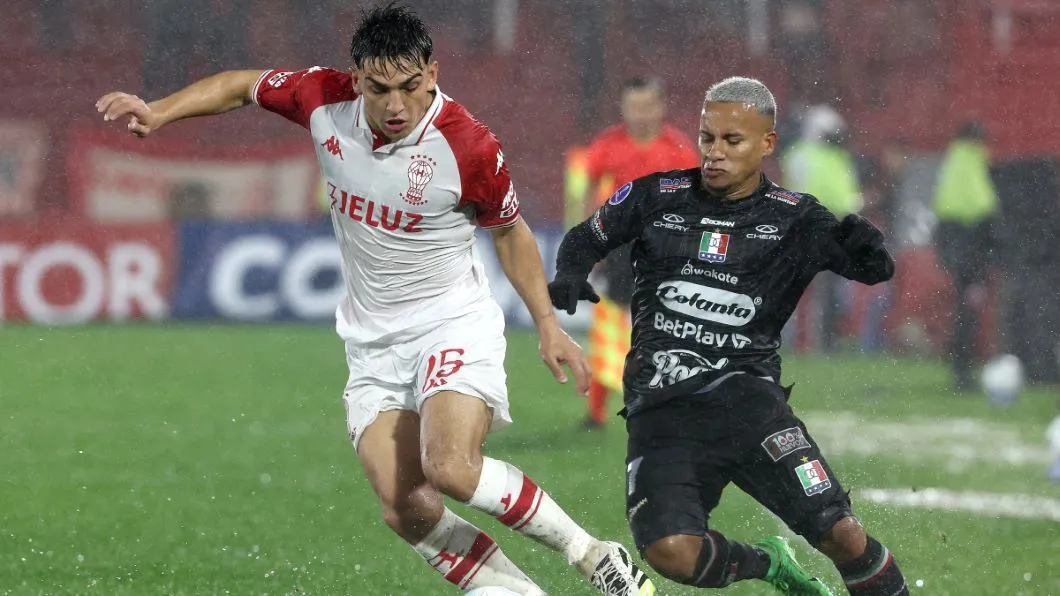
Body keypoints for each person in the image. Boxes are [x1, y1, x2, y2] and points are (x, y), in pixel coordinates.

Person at [96, 5, 654, 596]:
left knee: (452, 469)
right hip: (372, 342)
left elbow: (510, 230)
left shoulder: (467, 145)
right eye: (380, 88)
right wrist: (159, 112)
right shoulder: (321, 98)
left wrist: (545, 321)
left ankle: (592, 556)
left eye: (411, 87)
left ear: (433, 74)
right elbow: (241, 86)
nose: (396, 105)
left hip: (452, 324)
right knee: (407, 508)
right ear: (356, 78)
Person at [549, 76, 909, 595]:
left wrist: (869, 249)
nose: (714, 153)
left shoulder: (795, 217)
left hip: (750, 404)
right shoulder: (656, 195)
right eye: (707, 138)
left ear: (767, 143)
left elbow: (873, 269)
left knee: (842, 534)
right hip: (662, 406)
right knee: (671, 554)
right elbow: (587, 236)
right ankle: (771, 565)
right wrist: (570, 272)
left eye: (731, 141)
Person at [564, 77, 699, 429]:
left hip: (664, 249)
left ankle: (667, 404)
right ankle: (596, 413)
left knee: (664, 328)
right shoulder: (610, 144)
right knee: (610, 327)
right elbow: (587, 185)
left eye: (647, 106)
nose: (640, 114)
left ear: (660, 107)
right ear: (623, 109)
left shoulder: (679, 149)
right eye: (633, 107)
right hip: (621, 251)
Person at [780, 104, 862, 352]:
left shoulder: (824, 156)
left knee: (825, 292)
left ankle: (819, 342)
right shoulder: (808, 156)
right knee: (814, 292)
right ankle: (809, 343)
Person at [932, 121, 999, 392]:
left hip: (958, 252)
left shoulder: (951, 162)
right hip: (971, 253)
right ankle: (962, 370)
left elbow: (943, 208)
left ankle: (960, 367)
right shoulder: (971, 162)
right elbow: (983, 206)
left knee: (963, 311)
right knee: (968, 313)